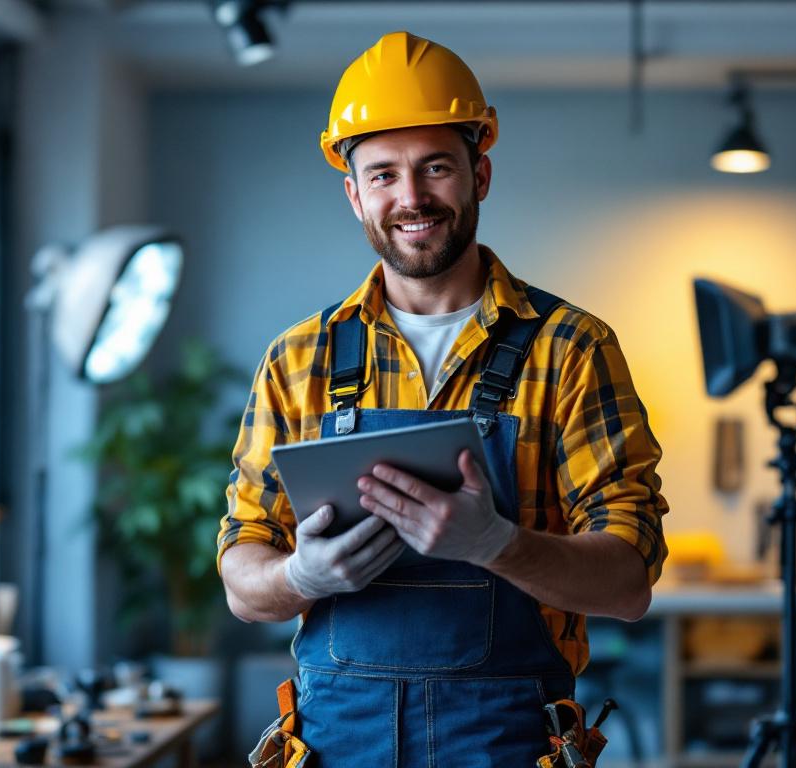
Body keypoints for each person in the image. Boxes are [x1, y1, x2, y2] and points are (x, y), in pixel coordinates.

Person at [218, 30, 669, 767]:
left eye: (435, 166)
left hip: (506, 742)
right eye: (383, 175)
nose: (412, 198)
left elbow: (629, 583)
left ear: (479, 173)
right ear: (354, 194)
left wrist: (497, 544)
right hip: (336, 743)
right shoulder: (298, 360)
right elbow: (243, 575)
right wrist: (300, 576)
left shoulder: (571, 349)